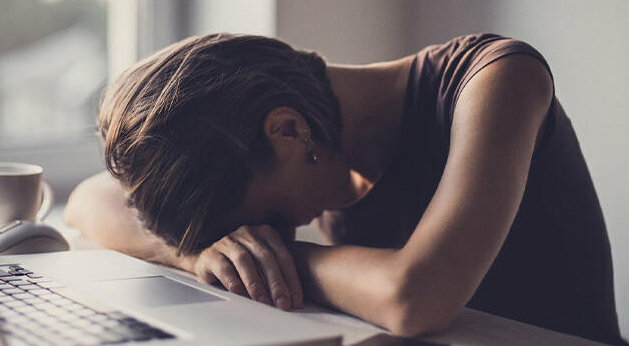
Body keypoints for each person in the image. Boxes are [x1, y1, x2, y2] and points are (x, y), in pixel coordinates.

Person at [64, 33, 625, 345]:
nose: (268, 235)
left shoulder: (497, 79)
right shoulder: (314, 147)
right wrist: (198, 252)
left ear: (288, 131)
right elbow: (90, 199)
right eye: (261, 234)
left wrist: (279, 260)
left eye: (270, 220)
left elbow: (416, 298)